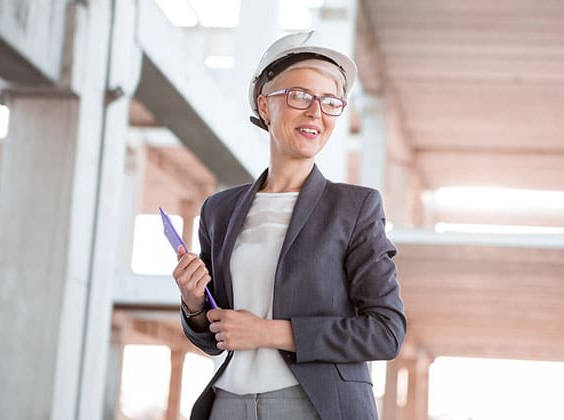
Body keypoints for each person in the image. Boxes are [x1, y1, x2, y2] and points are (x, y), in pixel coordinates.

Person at [171, 31, 406, 420]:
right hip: (229, 403)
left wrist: (269, 332)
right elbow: (215, 339)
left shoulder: (354, 208)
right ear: (265, 106)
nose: (316, 112)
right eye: (300, 96)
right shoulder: (220, 210)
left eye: (330, 102)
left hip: (314, 406)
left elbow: (386, 331)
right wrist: (195, 303)